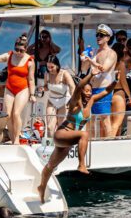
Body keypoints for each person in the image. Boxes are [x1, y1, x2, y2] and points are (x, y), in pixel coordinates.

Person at [37, 70, 116, 202]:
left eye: (90, 91)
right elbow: (79, 86)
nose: (88, 93)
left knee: (51, 165)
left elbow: (107, 91)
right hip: (62, 134)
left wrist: (116, 80)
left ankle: (41, 187)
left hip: (70, 140)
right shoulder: (75, 101)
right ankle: (81, 165)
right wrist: (91, 74)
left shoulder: (91, 101)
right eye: (86, 91)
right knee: (84, 134)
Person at [82, 24, 117, 137]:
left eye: (101, 35)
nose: (98, 37)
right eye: (97, 35)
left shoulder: (111, 53)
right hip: (92, 89)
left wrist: (91, 61)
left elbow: (104, 68)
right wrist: (85, 58)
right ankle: (89, 143)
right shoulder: (95, 51)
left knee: (105, 119)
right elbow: (84, 69)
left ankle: (109, 144)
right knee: (89, 119)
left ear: (108, 38)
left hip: (103, 90)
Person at [42, 55, 75, 137]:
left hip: (63, 101)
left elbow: (72, 86)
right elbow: (46, 86)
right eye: (48, 67)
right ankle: (51, 146)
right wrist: (42, 89)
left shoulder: (64, 73)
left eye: (52, 67)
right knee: (50, 127)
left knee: (61, 126)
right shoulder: (47, 74)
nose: (50, 69)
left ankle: (60, 146)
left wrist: (73, 99)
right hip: (51, 101)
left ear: (57, 65)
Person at [109, 43, 131, 137]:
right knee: (117, 123)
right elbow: (123, 82)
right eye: (124, 51)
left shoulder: (109, 64)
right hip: (118, 93)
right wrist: (130, 97)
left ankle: (113, 143)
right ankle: (108, 143)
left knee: (112, 122)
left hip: (108, 94)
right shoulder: (121, 64)